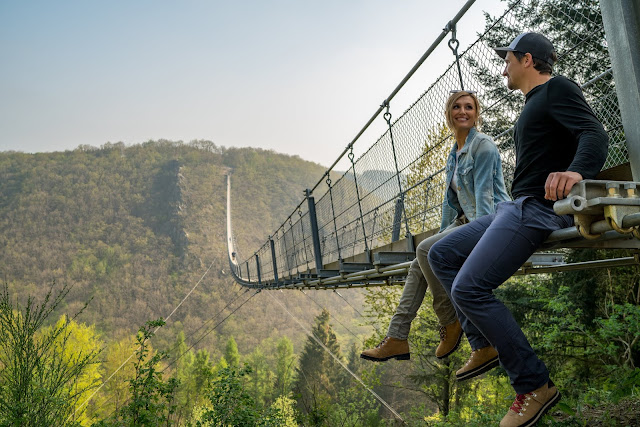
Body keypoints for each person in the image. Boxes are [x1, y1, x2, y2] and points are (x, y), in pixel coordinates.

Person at [428, 33, 609, 427]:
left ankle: (533, 385)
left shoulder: (557, 88)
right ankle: (485, 343)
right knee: (439, 253)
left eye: (507, 58)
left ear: (528, 59)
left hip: (537, 209)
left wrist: (576, 172)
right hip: (516, 206)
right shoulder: (533, 103)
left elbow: (595, 133)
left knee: (468, 288)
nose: (503, 66)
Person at [360, 90, 510, 365]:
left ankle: (450, 321)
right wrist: (443, 236)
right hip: (465, 220)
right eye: (456, 107)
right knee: (422, 256)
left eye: (469, 107)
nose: (463, 111)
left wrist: (474, 242)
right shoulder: (454, 154)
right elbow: (449, 205)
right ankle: (397, 337)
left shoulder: (484, 146)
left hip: (493, 221)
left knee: (427, 250)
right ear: (449, 114)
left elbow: (485, 199)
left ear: (477, 114)